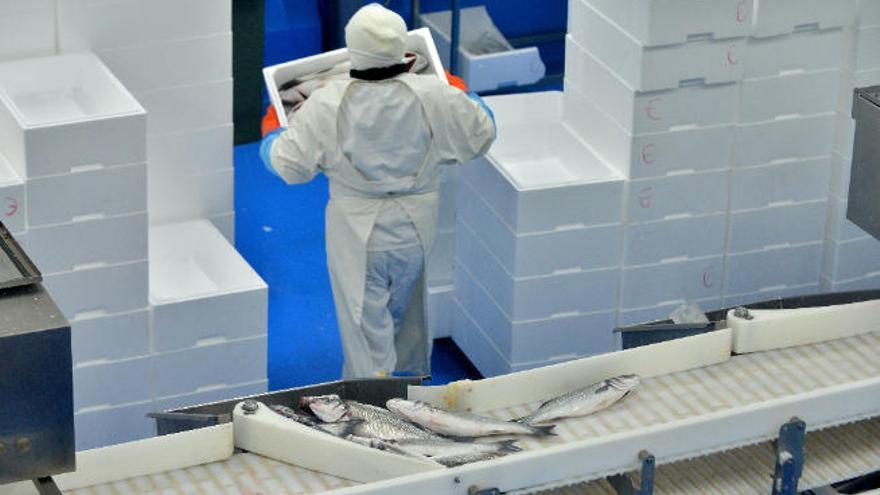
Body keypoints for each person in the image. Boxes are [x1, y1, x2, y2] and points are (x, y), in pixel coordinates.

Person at [259, 3, 496, 378]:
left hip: (357, 227)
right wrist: (464, 96)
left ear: (352, 49)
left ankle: (372, 410)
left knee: (363, 320)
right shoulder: (435, 94)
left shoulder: (326, 103)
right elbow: (481, 135)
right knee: (408, 307)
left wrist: (273, 134)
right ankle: (409, 387)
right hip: (418, 223)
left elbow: (291, 166)